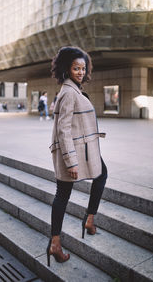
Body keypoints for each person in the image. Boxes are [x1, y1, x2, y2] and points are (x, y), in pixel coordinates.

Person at [47, 46, 108, 266]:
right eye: (76, 68)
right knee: (63, 194)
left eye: (83, 68)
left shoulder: (74, 90)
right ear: (67, 69)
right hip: (73, 153)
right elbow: (63, 130)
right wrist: (71, 161)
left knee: (100, 175)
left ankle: (89, 220)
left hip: (83, 150)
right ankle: (57, 241)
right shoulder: (69, 92)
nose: (81, 72)